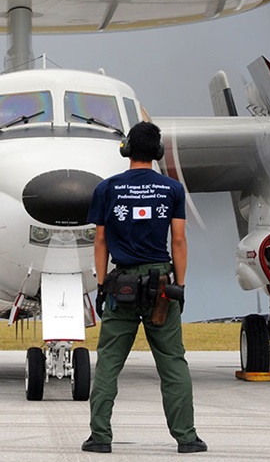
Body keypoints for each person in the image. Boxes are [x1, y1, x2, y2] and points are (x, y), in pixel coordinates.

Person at [82, 121, 206, 454]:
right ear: (157, 152)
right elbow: (178, 240)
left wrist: (100, 283)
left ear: (127, 150)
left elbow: (101, 240)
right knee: (172, 362)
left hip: (121, 285)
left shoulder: (106, 189)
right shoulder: (172, 190)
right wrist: (179, 285)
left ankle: (100, 438)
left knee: (109, 361)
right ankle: (186, 437)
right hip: (161, 287)